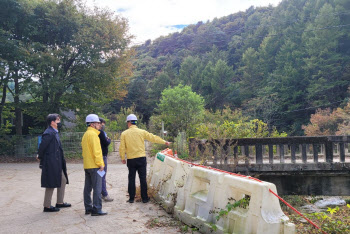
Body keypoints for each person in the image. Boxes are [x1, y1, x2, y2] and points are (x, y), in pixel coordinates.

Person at [119, 114, 171, 203]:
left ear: (129, 122)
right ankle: (145, 198)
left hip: (131, 159)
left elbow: (122, 147)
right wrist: (164, 142)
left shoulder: (124, 134)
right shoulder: (142, 132)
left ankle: (131, 199)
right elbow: (153, 138)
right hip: (141, 158)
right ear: (135, 122)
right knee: (142, 178)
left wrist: (123, 157)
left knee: (131, 178)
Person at [38, 113, 71, 212]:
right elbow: (42, 147)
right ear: (52, 122)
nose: (59, 122)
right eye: (58, 120)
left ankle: (59, 202)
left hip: (57, 162)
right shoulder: (49, 132)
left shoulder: (54, 132)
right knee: (51, 183)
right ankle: (47, 206)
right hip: (51, 162)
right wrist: (40, 157)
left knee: (63, 180)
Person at [81, 114, 107, 216]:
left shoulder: (85, 135)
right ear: (92, 124)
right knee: (97, 187)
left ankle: (88, 208)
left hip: (87, 165)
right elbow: (97, 151)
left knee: (87, 188)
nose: (99, 125)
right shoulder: (93, 135)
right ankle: (97, 209)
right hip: (95, 166)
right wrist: (101, 164)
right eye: (97, 123)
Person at [98, 117, 113, 202]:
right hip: (102, 157)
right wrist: (109, 140)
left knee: (100, 175)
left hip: (100, 156)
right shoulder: (101, 133)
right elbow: (106, 142)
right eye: (102, 124)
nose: (103, 125)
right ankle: (104, 193)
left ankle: (100, 193)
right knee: (102, 175)